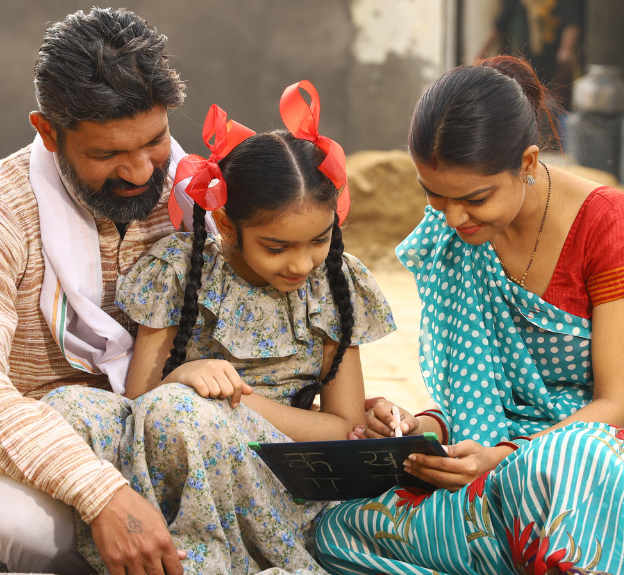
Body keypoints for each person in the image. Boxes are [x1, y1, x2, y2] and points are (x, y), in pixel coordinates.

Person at [315, 56, 624, 575]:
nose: (454, 216)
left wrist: (505, 457)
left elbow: (621, 404)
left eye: (475, 199)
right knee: (339, 528)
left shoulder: (615, 226)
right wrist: (422, 429)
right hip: (505, 457)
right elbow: (478, 395)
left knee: (567, 468)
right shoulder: (454, 233)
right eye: (434, 195)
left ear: (527, 163)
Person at [0, 7, 277, 575]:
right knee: (29, 530)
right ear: (46, 131)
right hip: (31, 467)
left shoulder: (206, 192)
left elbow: (287, 315)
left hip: (189, 449)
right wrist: (101, 493)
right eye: (107, 154)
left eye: (155, 141)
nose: (140, 172)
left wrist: (350, 405)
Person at [44, 81, 396, 574]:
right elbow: (141, 400)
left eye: (319, 240)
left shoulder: (335, 282)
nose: (302, 264)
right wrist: (186, 376)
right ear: (228, 226)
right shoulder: (180, 269)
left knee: (183, 411)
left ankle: (203, 560)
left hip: (275, 471)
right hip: (174, 439)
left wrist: (237, 404)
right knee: (66, 408)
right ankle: (141, 536)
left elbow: (343, 429)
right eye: (277, 247)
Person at [478, 0, 580, 92]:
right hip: (528, 56)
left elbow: (571, 24)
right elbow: (502, 20)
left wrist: (566, 50)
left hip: (555, 57)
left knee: (557, 98)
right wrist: (483, 50)